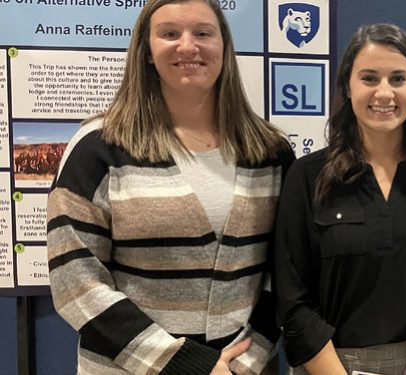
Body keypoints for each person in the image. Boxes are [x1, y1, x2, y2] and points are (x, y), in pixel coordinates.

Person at [46, 1, 293, 374]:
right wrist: (187, 366)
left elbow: (284, 273)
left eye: (203, 33)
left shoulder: (269, 152)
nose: (188, 46)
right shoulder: (98, 148)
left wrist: (247, 359)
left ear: (224, 47)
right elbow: (75, 282)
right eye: (170, 33)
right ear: (146, 50)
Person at [274, 23, 406, 375]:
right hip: (327, 367)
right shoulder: (307, 177)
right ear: (347, 88)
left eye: (398, 79)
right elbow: (292, 299)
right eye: (369, 78)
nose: (384, 93)